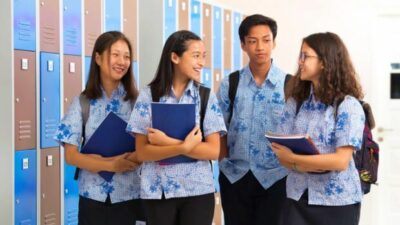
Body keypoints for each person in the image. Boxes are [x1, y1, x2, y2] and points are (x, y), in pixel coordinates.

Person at [126, 30, 226, 225]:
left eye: (203, 57)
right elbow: (143, 152)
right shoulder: (149, 96)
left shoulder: (205, 97)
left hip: (198, 191)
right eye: (196, 56)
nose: (201, 63)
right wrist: (183, 147)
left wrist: (167, 143)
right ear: (175, 57)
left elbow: (214, 150)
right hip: (158, 191)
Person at [271, 32, 365, 225]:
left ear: (324, 62)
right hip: (297, 196)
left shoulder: (348, 106)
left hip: (337, 203)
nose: (300, 62)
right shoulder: (296, 103)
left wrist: (295, 160)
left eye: (306, 56)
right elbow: (280, 150)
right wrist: (304, 161)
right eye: (300, 56)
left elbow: (340, 161)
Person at [54, 31, 143, 225]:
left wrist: (97, 160)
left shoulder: (138, 103)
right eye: (115, 54)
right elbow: (71, 156)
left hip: (130, 196)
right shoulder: (83, 102)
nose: (122, 61)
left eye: (127, 56)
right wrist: (111, 165)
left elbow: (146, 148)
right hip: (92, 198)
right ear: (98, 58)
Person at [216, 14, 288, 225]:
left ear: (274, 43)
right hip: (235, 176)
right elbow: (219, 128)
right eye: (252, 41)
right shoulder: (231, 83)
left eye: (266, 40)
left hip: (275, 178)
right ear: (243, 45)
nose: (260, 47)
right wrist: (222, 160)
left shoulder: (290, 85)